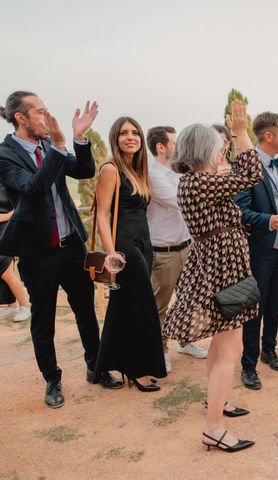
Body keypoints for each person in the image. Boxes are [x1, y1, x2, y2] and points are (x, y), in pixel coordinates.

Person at [0, 92, 121, 409]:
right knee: (44, 322)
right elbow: (33, 188)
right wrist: (58, 143)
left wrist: (78, 138)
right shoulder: (5, 155)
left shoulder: (46, 147)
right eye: (40, 112)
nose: (47, 116)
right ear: (21, 118)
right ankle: (52, 379)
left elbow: (83, 171)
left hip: (71, 248)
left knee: (85, 311)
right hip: (37, 254)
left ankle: (96, 367)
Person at [163, 100, 262, 452]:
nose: (224, 149)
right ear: (205, 149)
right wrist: (240, 131)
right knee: (230, 349)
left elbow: (240, 175)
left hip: (221, 266)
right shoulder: (201, 183)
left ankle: (215, 404)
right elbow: (253, 172)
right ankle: (214, 428)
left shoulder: (195, 182)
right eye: (219, 146)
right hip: (224, 270)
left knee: (221, 344)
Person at [93, 117, 167, 392]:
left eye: (135, 132)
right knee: (142, 305)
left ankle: (105, 365)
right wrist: (111, 253)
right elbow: (102, 215)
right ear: (116, 138)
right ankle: (138, 370)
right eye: (124, 133)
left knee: (122, 306)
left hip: (144, 242)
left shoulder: (138, 170)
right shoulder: (111, 169)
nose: (130, 137)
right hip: (124, 246)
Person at [234, 112, 278, 390]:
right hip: (259, 251)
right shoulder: (247, 167)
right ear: (269, 136)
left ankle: (269, 349)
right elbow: (239, 211)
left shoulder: (277, 167)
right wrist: (268, 221)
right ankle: (249, 365)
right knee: (255, 307)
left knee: (275, 304)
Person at [146, 126, 207, 373]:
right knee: (160, 304)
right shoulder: (152, 174)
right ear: (161, 147)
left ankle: (185, 339)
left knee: (189, 298)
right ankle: (159, 348)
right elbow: (181, 201)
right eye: (174, 142)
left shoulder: (177, 171)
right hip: (165, 250)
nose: (179, 146)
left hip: (187, 246)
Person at [0, 183, 30, 322]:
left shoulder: (7, 181)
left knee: (7, 273)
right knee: (1, 272)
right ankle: (11, 305)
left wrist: (3, 218)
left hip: (6, 231)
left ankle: (25, 306)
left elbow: (19, 207)